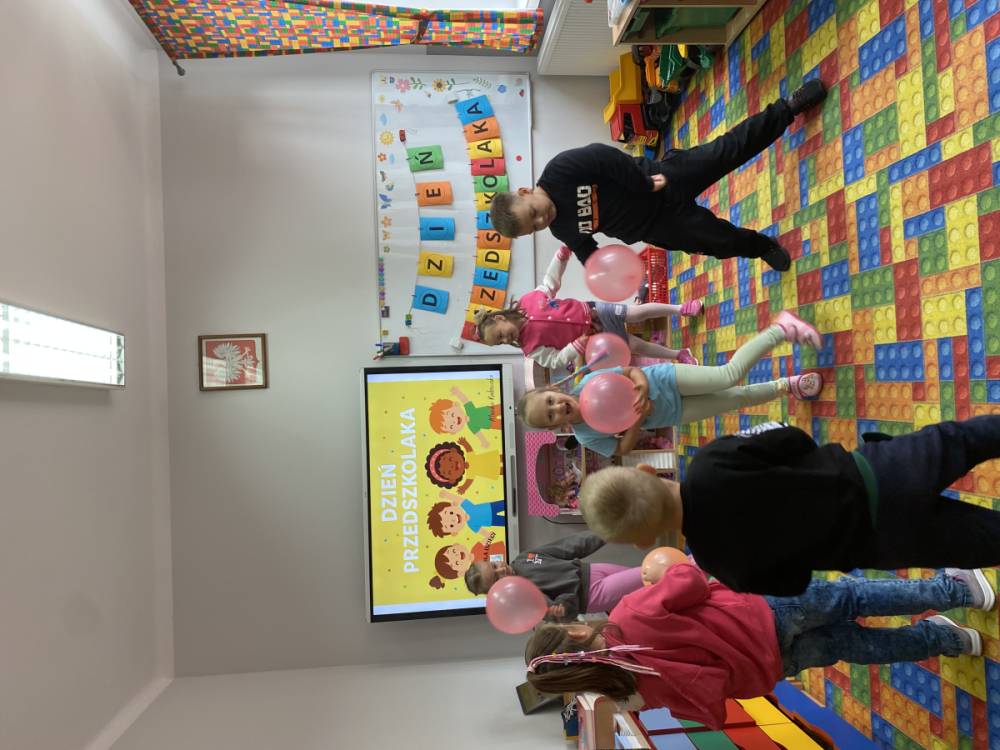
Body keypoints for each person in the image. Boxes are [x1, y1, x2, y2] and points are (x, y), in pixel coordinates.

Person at [524, 563, 994, 729]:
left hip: (773, 665)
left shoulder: (634, 693)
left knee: (854, 645)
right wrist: (665, 574)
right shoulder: (628, 614)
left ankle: (947, 639)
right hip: (765, 614)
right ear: (577, 634)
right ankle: (956, 591)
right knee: (853, 597)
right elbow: (689, 581)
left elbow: (705, 703)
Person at [578, 416, 1000, 595]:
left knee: (985, 540)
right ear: (648, 471)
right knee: (965, 441)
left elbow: (795, 582)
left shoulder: (720, 565)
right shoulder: (711, 462)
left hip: (882, 543)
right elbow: (793, 438)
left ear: (646, 542)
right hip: (880, 472)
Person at [490, 81, 828, 272]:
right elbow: (585, 248)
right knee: (717, 242)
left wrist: (643, 182)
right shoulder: (561, 228)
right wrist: (598, 266)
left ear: (525, 192)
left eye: (533, 213)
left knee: (729, 150)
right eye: (535, 227)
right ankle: (762, 246)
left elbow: (605, 157)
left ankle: (788, 108)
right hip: (658, 226)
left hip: (661, 180)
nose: (541, 220)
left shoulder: (559, 171)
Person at [517, 310, 823, 456]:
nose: (557, 408)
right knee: (737, 398)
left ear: (553, 390)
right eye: (551, 416)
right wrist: (636, 420)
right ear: (555, 428)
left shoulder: (586, 383)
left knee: (728, 376)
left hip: (666, 380)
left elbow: (629, 372)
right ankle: (787, 386)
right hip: (672, 413)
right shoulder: (585, 436)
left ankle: (780, 329)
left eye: (550, 402)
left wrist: (641, 385)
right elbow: (621, 448)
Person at [474, 246, 702, 369]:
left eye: (500, 335)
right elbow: (555, 360)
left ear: (500, 319)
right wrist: (575, 346)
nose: (506, 340)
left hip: (593, 311)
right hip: (592, 337)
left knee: (634, 314)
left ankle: (681, 308)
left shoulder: (528, 301)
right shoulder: (530, 349)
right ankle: (679, 354)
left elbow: (550, 283)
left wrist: (560, 258)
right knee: (635, 345)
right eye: (501, 342)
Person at [464, 531, 642, 622]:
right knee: (649, 575)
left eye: (494, 566)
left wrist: (604, 533)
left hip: (592, 570)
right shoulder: (522, 598)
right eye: (496, 578)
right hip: (590, 595)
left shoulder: (524, 558)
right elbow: (562, 613)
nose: (501, 570)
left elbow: (568, 547)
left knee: (647, 585)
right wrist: (560, 610)